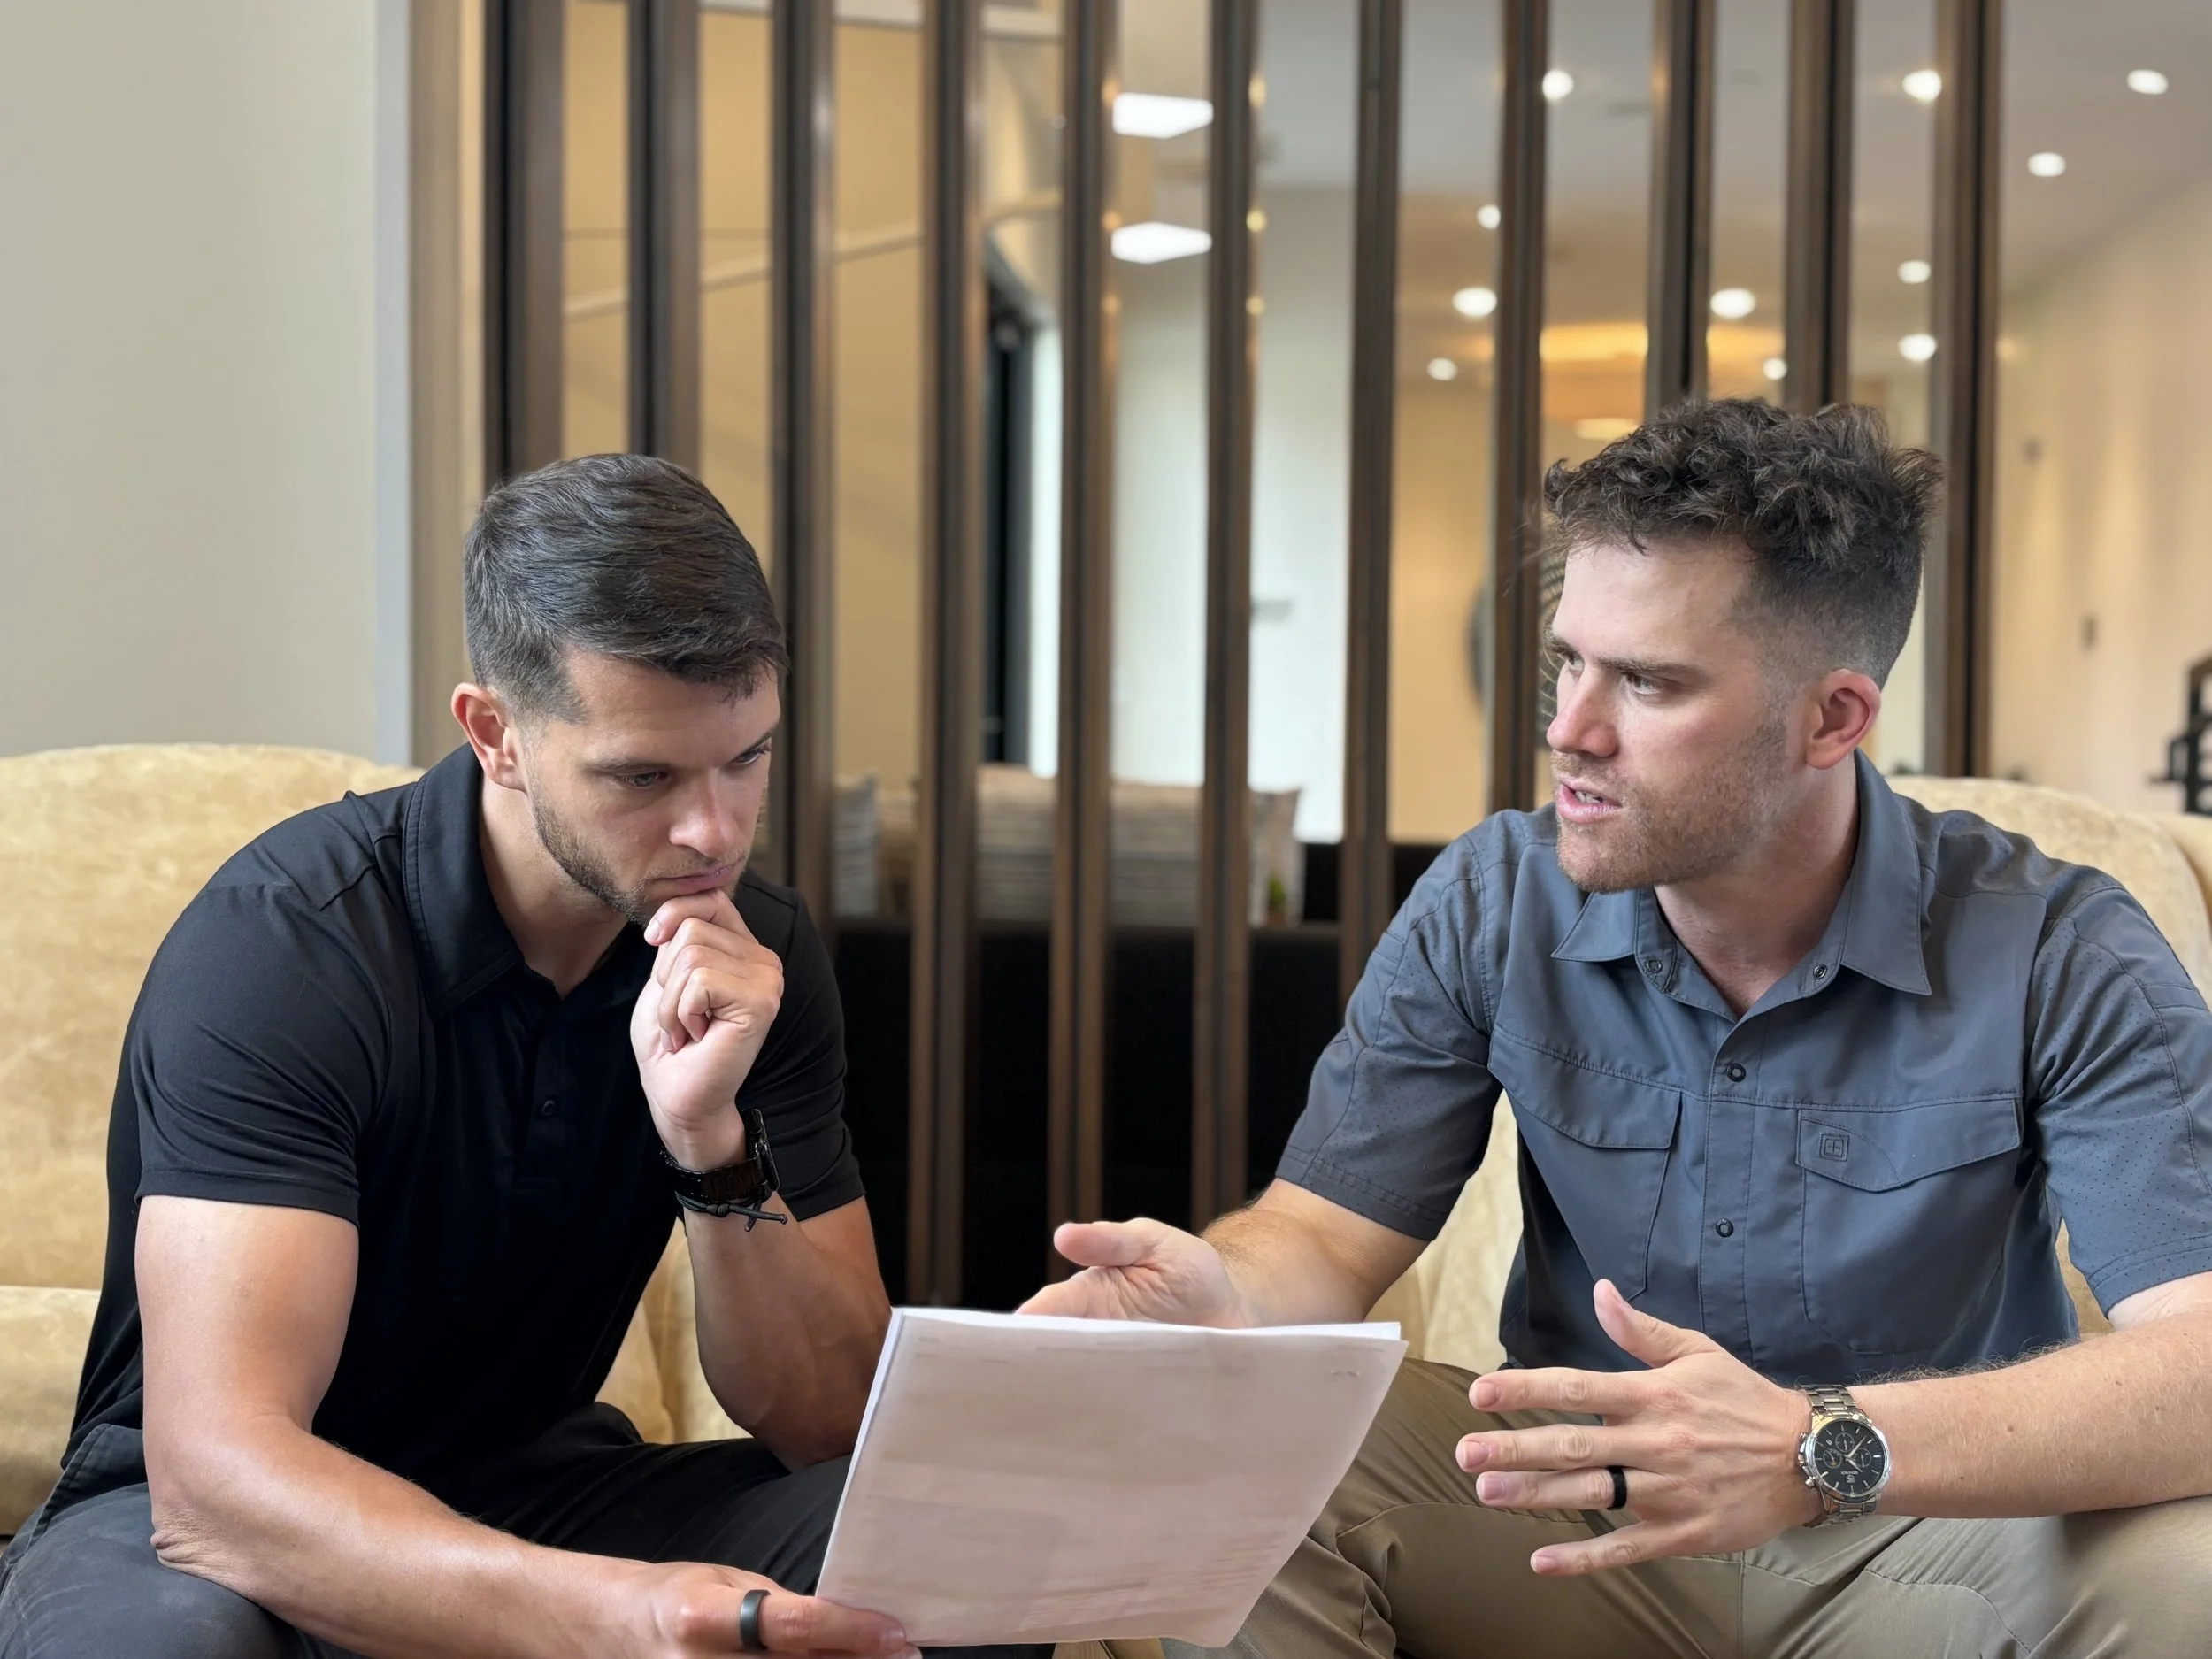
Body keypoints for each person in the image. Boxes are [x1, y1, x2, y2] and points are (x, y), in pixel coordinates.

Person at [1027, 402, 2212, 1656]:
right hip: (1568, 1514)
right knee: (1239, 1453)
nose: (1570, 730)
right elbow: (1319, 1234)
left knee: (2191, 1570)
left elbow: (2198, 1363)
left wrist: (1816, 1443)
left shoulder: (2060, 942)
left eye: (1645, 681)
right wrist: (1230, 1298)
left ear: (1834, 718)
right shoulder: (1492, 899)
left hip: (1913, 1522)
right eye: (1568, 663)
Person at [0, 455, 1042, 1659]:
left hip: (537, 1486)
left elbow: (831, 1421)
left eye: (746, 757)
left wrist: (712, 1146)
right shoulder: (287, 945)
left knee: (956, 1558)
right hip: (195, 1533)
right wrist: (617, 1615)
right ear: (495, 732)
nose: (712, 828)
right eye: (643, 775)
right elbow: (219, 1477)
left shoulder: (759, 963)